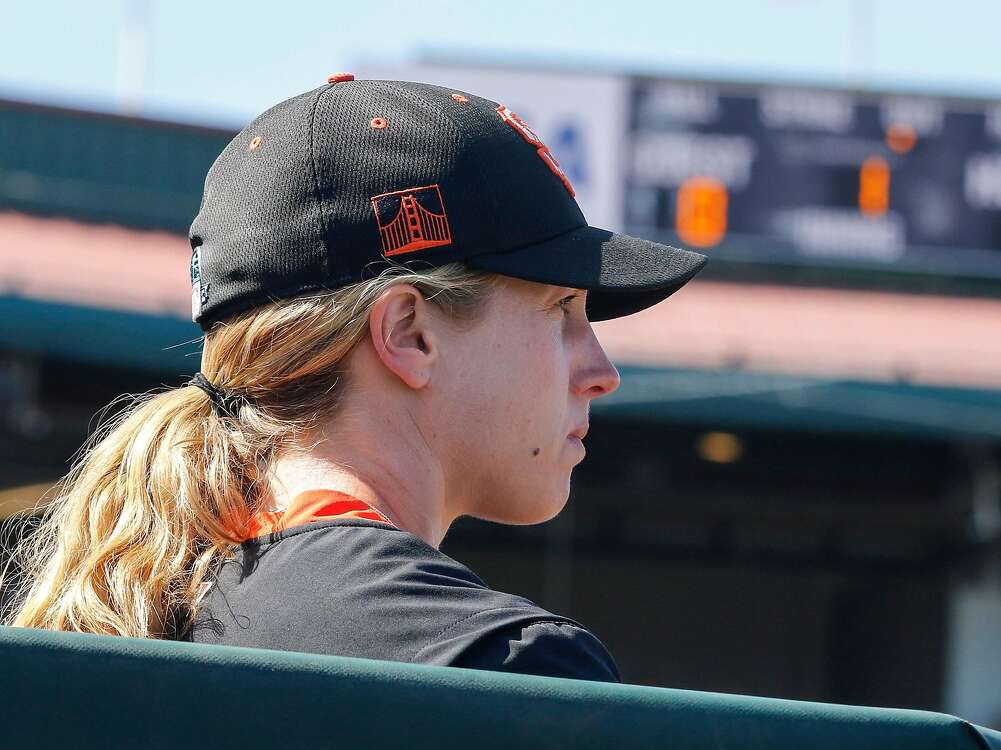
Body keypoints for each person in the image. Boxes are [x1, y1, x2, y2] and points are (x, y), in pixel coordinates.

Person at [0, 74, 705, 682]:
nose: (601, 372)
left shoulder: (132, 614)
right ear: (408, 333)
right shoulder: (505, 668)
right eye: (561, 309)